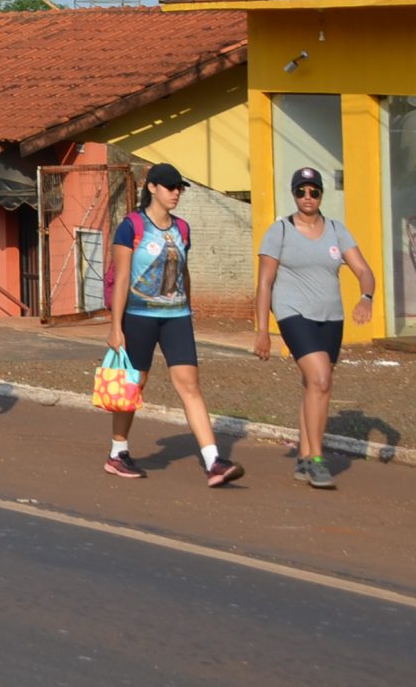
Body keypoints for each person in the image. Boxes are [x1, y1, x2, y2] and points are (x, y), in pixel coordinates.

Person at [106, 163, 240, 485]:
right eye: (170, 187)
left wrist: (188, 310)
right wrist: (115, 327)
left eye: (179, 188)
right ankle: (117, 453)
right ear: (151, 188)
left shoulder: (183, 228)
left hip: (176, 317)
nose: (176, 193)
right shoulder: (131, 226)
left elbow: (184, 272)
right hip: (138, 316)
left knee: (190, 386)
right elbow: (122, 278)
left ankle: (213, 461)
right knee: (134, 386)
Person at [253, 166, 377, 488]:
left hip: (330, 317)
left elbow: (364, 270)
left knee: (314, 385)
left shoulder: (337, 230)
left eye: (314, 191)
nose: (307, 197)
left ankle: (304, 456)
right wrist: (263, 330)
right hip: (294, 313)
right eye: (301, 191)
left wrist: (366, 297)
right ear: (294, 195)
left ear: (321, 194)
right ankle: (318, 460)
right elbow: (265, 283)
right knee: (321, 379)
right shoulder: (279, 231)